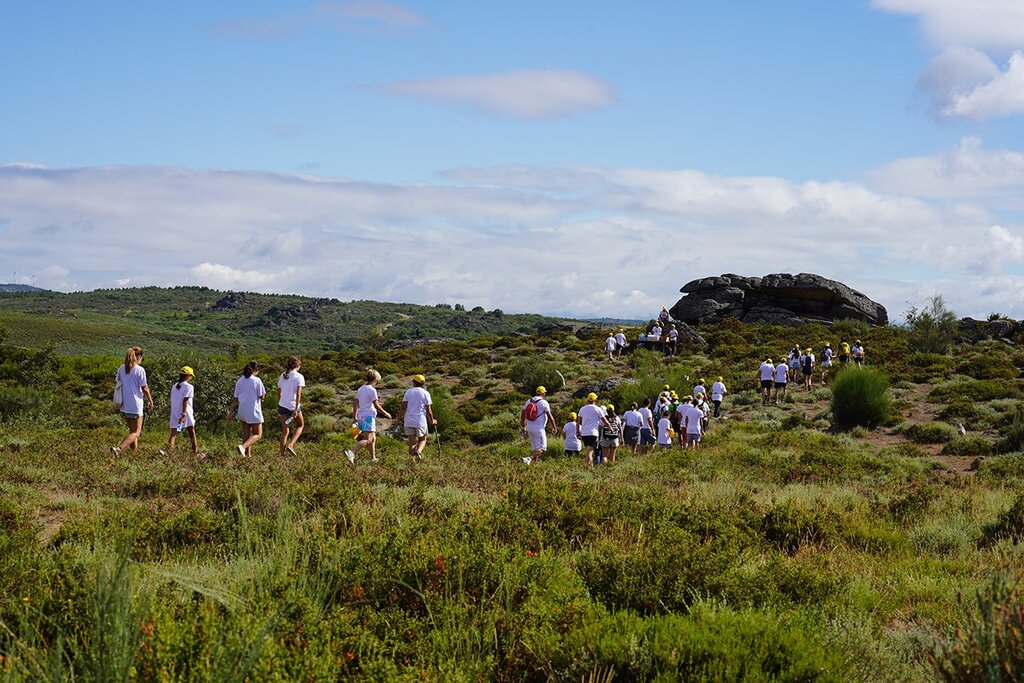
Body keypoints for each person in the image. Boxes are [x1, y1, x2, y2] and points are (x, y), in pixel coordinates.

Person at [112, 347, 154, 456]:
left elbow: (118, 383)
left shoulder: (122, 368)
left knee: (132, 432)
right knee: (136, 432)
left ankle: (134, 455)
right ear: (139, 357)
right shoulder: (140, 370)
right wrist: (150, 401)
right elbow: (144, 388)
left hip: (125, 405)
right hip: (136, 405)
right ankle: (119, 449)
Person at [346, 368, 392, 464]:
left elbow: (355, 403)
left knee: (373, 438)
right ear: (375, 379)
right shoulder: (372, 390)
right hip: (368, 416)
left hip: (362, 416)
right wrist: (385, 413)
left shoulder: (361, 389)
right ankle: (352, 451)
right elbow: (376, 405)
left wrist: (355, 417)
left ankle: (373, 458)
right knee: (368, 439)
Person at [161, 365, 205, 459]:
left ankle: (169, 451)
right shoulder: (189, 387)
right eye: (191, 376)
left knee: (174, 432)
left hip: (174, 411)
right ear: (188, 376)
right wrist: (184, 414)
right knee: (191, 431)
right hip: (186, 412)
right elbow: (185, 400)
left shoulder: (174, 386)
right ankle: (195, 451)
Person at [227, 360, 266, 457]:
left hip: (242, 410)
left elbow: (235, 398)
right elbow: (262, 396)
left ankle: (247, 455)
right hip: (253, 410)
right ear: (255, 370)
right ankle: (243, 447)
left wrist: (230, 412)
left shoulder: (240, 380)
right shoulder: (257, 380)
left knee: (246, 433)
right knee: (258, 434)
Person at [397, 374, 435, 461]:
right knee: (423, 439)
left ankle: (413, 461)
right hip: (420, 421)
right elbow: (429, 410)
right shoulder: (426, 393)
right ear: (423, 383)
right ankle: (419, 451)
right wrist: (432, 421)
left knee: (412, 442)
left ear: (414, 382)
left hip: (409, 421)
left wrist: (398, 419)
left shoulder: (408, 392)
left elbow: (403, 407)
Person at [520, 385, 556, 464]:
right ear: (543, 394)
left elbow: (523, 414)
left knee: (535, 448)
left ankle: (535, 465)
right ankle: (528, 458)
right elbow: (550, 417)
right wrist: (554, 427)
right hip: (539, 429)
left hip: (529, 428)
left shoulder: (528, 401)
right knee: (543, 448)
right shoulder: (544, 403)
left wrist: (523, 426)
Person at [277, 356, 305, 457]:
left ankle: (282, 455)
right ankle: (291, 445)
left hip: (282, 405)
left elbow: (279, 390)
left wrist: (281, 400)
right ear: (297, 365)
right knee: (300, 425)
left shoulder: (283, 375)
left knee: (285, 431)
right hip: (292, 406)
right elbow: (298, 394)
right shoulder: (299, 377)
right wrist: (296, 409)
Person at [576, 392, 604, 465]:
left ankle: (589, 467)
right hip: (593, 433)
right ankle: (587, 467)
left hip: (584, 433)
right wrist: (610, 428)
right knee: (590, 452)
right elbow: (604, 420)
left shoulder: (582, 409)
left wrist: (577, 432)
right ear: (595, 400)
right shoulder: (598, 409)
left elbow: (578, 421)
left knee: (588, 451)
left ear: (588, 399)